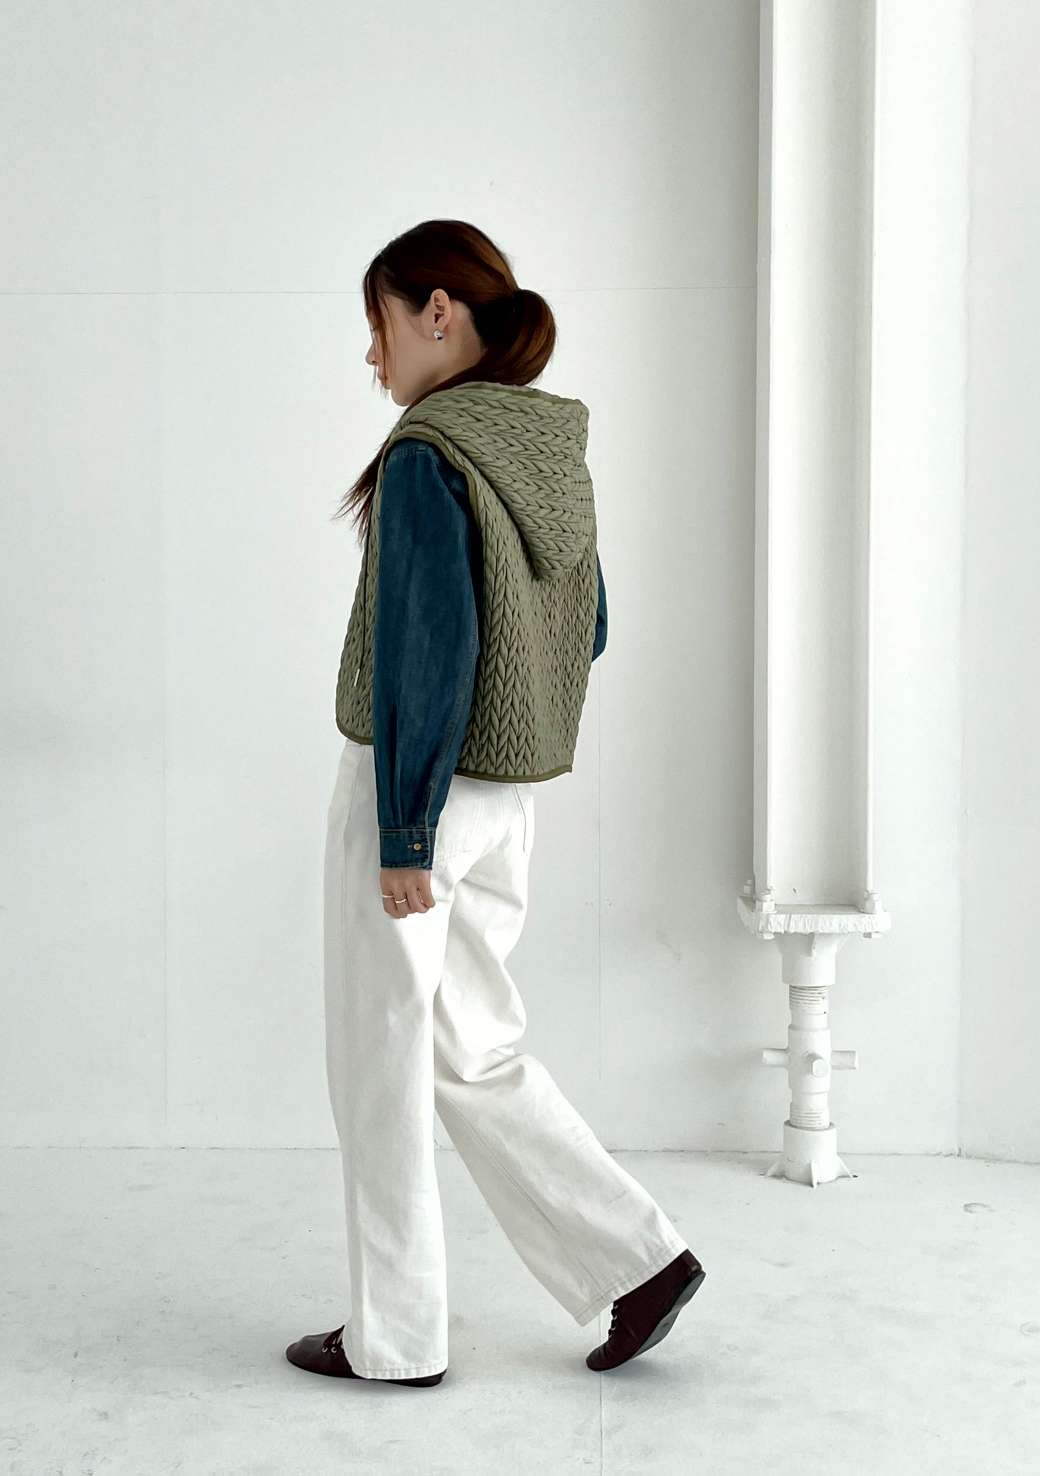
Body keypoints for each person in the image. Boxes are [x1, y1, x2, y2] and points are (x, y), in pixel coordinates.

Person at [286, 220, 705, 1389]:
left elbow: (427, 652)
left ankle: (394, 1338)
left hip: (414, 795)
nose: (373, 356)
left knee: (381, 1063)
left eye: (378, 325)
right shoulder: (547, 449)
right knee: (472, 1047)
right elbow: (590, 628)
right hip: (507, 798)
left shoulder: (431, 451)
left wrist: (405, 828)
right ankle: (637, 1261)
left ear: (437, 311)